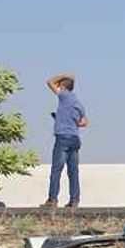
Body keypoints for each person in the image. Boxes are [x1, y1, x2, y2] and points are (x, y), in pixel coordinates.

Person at [42, 73, 87, 208]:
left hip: (63, 137)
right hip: (75, 138)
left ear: (62, 86)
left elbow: (49, 82)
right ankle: (74, 200)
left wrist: (64, 76)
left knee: (56, 170)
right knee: (73, 171)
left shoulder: (64, 95)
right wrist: (69, 121)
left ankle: (52, 199)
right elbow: (84, 122)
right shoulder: (78, 103)